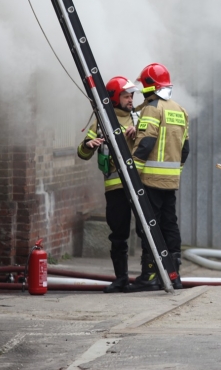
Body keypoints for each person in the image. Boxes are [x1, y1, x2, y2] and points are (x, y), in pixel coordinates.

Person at [125, 63, 190, 292]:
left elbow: (147, 142)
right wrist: (175, 173)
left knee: (148, 226)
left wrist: (133, 171)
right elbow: (185, 149)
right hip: (170, 181)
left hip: (150, 180)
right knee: (169, 224)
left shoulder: (152, 109)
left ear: (150, 86)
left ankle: (150, 274)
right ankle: (174, 273)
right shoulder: (180, 110)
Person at [77, 76, 139, 293]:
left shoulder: (139, 118)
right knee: (118, 234)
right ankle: (121, 278)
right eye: (126, 95)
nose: (130, 99)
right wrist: (88, 144)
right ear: (114, 97)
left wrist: (138, 133)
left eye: (132, 95)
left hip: (139, 185)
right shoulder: (102, 121)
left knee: (145, 230)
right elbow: (82, 153)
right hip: (115, 188)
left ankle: (149, 277)